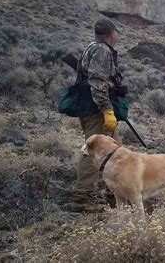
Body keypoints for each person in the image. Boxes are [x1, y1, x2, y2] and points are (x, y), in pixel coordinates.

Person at [71, 18, 123, 212]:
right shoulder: (102, 50)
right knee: (93, 150)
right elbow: (97, 81)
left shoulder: (91, 47)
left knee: (115, 151)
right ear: (111, 34)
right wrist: (107, 109)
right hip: (96, 110)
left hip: (89, 107)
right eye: (116, 34)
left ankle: (115, 193)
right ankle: (83, 197)